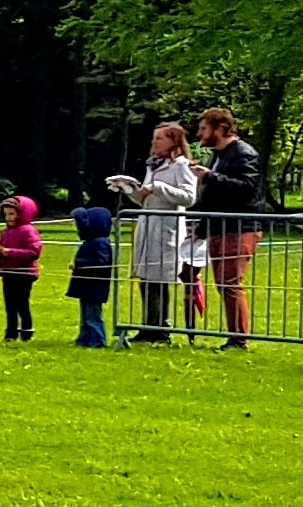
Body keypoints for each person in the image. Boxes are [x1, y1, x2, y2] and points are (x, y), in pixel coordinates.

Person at [110, 124, 198, 343]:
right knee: (146, 278)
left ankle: (161, 329)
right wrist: (129, 189)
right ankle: (149, 326)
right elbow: (145, 199)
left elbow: (189, 197)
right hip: (148, 226)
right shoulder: (153, 165)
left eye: (159, 139)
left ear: (174, 141)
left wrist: (159, 187)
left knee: (159, 278)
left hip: (166, 228)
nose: (154, 143)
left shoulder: (181, 166)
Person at [193, 106, 265, 349]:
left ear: (221, 128)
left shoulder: (244, 154)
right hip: (218, 227)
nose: (200, 134)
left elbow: (246, 187)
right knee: (224, 283)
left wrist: (211, 177)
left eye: (204, 128)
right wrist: (202, 226)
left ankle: (239, 338)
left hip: (240, 226)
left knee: (231, 282)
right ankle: (235, 336)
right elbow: (212, 197)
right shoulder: (216, 155)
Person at [0, 195, 43, 341]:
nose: (8, 218)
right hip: (8, 273)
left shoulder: (28, 231)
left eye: (12, 214)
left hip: (24, 274)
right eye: (6, 214)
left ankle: (27, 331)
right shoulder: (5, 232)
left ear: (22, 214)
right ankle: (11, 333)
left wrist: (9, 252)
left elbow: (34, 252)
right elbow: (3, 251)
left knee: (22, 303)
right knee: (10, 305)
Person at [67, 196, 116, 349]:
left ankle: (98, 340)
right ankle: (84, 337)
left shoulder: (100, 243)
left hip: (94, 285)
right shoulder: (91, 242)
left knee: (94, 314)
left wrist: (80, 265)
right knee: (85, 314)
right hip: (86, 285)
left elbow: (100, 262)